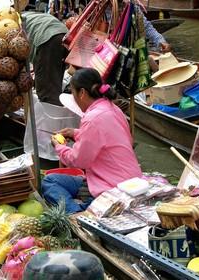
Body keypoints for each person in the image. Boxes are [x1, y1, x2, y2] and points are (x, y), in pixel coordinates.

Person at [41, 68, 142, 214]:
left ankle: (78, 213)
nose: (74, 98)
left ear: (82, 93)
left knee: (49, 182)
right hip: (132, 179)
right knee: (55, 180)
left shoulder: (92, 118)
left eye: (74, 94)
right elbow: (106, 137)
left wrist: (59, 147)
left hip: (112, 186)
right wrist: (75, 133)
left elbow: (78, 160)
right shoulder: (113, 108)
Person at [22, 11, 68, 106]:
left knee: (47, 91)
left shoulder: (10, 23)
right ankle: (56, 109)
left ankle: (53, 117)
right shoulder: (27, 14)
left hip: (47, 38)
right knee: (54, 82)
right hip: (62, 32)